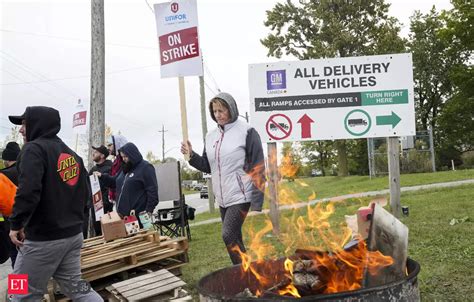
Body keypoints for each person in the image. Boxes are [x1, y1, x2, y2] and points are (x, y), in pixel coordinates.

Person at [7, 106, 103, 301]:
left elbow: (28, 191)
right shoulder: (73, 156)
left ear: (37, 124)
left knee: (18, 292)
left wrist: (16, 224)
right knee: (77, 287)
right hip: (73, 237)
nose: (21, 130)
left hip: (42, 240)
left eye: (25, 124)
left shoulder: (33, 149)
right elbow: (85, 196)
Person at [181, 92, 265, 265]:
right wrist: (191, 155)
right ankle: (247, 276)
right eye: (214, 111)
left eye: (221, 110)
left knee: (228, 235)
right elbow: (207, 165)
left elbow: (258, 166)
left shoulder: (247, 132)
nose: (218, 115)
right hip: (222, 197)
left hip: (242, 195)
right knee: (235, 239)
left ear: (231, 109)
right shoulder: (210, 136)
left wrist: (257, 202)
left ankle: (243, 276)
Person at [98, 142, 158, 220]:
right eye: (122, 157)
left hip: (139, 217)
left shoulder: (146, 167)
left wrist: (148, 211)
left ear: (133, 154)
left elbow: (152, 192)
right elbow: (114, 182)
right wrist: (102, 176)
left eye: (126, 156)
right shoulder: (125, 169)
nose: (124, 159)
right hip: (122, 217)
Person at [0, 141, 21, 267]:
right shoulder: (29, 171)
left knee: (17, 263)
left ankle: (20, 287)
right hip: (34, 228)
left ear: (7, 159)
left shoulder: (3, 176)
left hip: (12, 227)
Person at [87, 145, 112, 236]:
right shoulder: (92, 170)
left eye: (96, 152)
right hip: (95, 206)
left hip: (107, 206)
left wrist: (105, 202)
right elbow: (87, 186)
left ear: (102, 156)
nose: (93, 153)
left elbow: (113, 184)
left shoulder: (110, 167)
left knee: (108, 232)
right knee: (98, 231)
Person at [106, 135, 128, 207]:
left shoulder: (123, 160)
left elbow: (118, 179)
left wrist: (103, 176)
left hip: (124, 200)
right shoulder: (116, 160)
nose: (108, 148)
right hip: (117, 199)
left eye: (110, 145)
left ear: (117, 144)